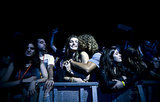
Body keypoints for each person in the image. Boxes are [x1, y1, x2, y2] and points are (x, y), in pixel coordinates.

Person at [35, 36, 55, 101]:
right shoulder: (32, 58)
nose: (44, 44)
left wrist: (50, 78)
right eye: (41, 42)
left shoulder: (49, 57)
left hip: (44, 85)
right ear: (35, 44)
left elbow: (50, 67)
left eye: (45, 43)